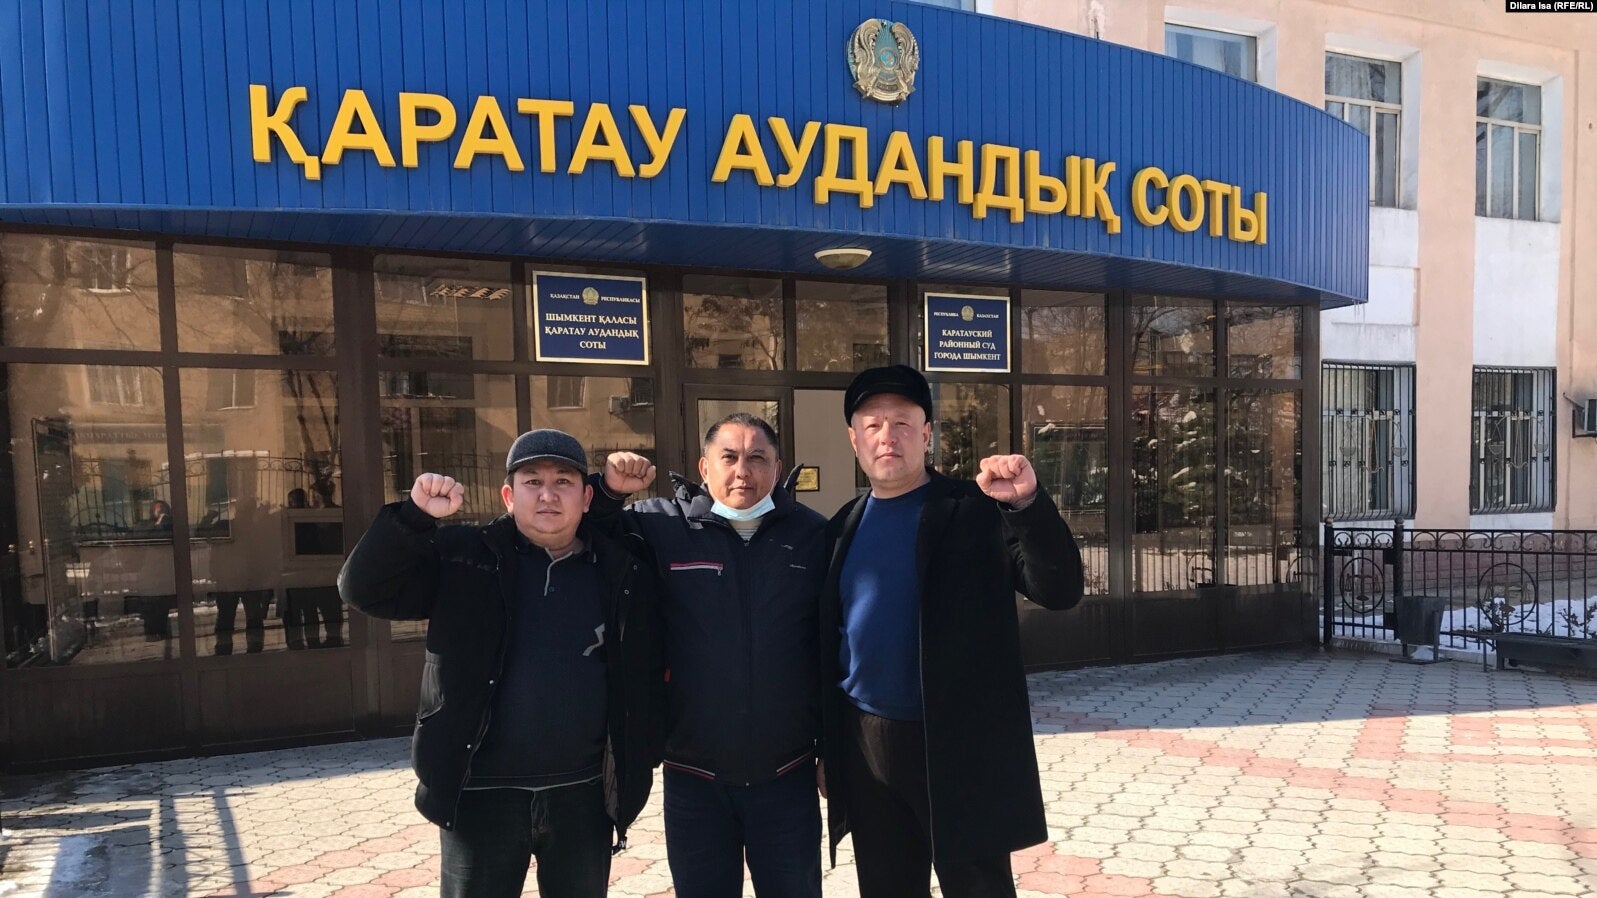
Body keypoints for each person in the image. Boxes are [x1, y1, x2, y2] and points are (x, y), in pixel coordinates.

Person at [338, 429, 664, 898]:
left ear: (587, 496)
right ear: (509, 495)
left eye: (564, 482)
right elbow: (363, 589)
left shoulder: (618, 567)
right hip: (480, 793)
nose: (548, 495)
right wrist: (412, 519)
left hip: (584, 794)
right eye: (532, 482)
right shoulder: (464, 558)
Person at [820, 364, 1085, 898]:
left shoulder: (977, 509)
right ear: (854, 439)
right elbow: (830, 643)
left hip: (958, 745)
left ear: (926, 433)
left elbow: (1059, 590)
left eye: (901, 422)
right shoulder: (840, 526)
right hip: (867, 744)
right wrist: (828, 747)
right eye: (872, 426)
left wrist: (1027, 505)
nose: (886, 436)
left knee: (978, 887)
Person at [590, 413, 827, 898]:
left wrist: (835, 752)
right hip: (694, 778)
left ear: (777, 469)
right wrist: (610, 490)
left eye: (758, 457)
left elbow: (831, 647)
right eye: (730, 457)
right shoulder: (660, 527)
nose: (743, 470)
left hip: (786, 777)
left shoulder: (813, 536)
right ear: (704, 466)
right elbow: (591, 533)